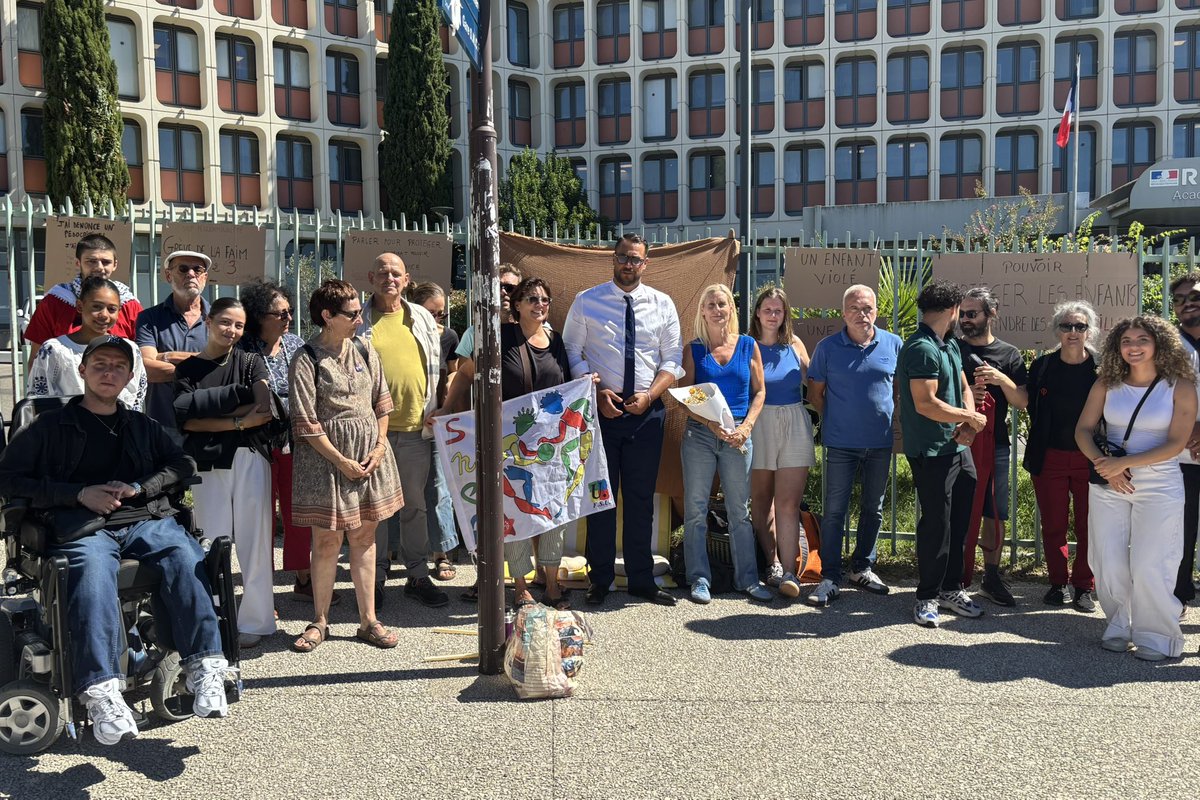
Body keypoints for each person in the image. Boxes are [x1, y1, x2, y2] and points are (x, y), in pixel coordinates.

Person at [0, 336, 230, 745]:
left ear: (128, 376)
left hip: (142, 519)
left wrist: (142, 487)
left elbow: (182, 463)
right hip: (80, 525)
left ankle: (205, 666)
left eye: (118, 366)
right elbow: (9, 479)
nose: (109, 372)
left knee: (184, 553)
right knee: (91, 574)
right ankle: (102, 691)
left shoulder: (142, 425)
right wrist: (78, 494)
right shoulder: (47, 428)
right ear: (83, 371)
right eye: (100, 364)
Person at [563, 234, 682, 607]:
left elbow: (672, 358)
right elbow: (571, 349)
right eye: (622, 257)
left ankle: (641, 579)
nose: (628, 264)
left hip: (647, 414)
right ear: (612, 259)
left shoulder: (663, 304)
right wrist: (596, 391)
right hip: (601, 413)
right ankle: (599, 579)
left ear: (645, 264)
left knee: (640, 498)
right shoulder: (587, 301)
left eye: (635, 259)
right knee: (601, 497)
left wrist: (650, 395)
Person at [289, 280, 404, 652]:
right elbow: (305, 422)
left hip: (369, 458)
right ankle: (319, 621)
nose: (360, 319)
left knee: (365, 539)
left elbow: (382, 404)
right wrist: (341, 461)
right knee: (326, 541)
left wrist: (380, 446)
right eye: (352, 314)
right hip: (325, 463)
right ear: (327, 315)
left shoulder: (365, 350)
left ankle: (368, 620)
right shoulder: (306, 358)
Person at [1074, 316, 1196, 661]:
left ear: (1159, 343)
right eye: (1126, 341)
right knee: (1108, 559)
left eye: (1142, 339)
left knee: (1151, 562)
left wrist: (1123, 464)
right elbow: (1083, 430)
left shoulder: (1180, 386)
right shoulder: (1106, 383)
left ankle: (1157, 636)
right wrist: (1106, 465)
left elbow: (1176, 444)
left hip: (1159, 481)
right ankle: (1118, 625)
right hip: (1109, 478)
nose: (1134, 347)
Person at [173, 298, 277, 649]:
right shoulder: (187, 370)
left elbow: (264, 406)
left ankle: (256, 620)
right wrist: (238, 420)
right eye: (225, 322)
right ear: (208, 321)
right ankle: (213, 616)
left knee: (254, 540)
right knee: (211, 542)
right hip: (208, 463)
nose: (231, 330)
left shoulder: (250, 361)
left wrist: (208, 411)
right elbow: (185, 419)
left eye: (238, 325)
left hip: (250, 457)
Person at [358, 254, 448, 609]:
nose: (389, 279)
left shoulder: (422, 317)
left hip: (414, 429)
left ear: (407, 279)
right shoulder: (359, 319)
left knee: (415, 506)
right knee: (375, 510)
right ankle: (376, 578)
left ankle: (417, 575)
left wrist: (440, 405)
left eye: (396, 273)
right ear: (371, 277)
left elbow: (437, 367)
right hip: (372, 434)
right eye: (382, 273)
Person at [897, 280, 987, 628]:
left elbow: (964, 387)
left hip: (958, 448)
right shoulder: (921, 348)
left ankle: (951, 589)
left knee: (959, 522)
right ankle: (926, 597)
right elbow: (926, 403)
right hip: (931, 451)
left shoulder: (948, 343)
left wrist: (968, 426)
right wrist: (969, 417)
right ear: (952, 310)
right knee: (937, 524)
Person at [238, 279, 332, 604]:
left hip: (296, 440)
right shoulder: (243, 349)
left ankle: (303, 576)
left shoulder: (296, 344)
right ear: (258, 316)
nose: (288, 318)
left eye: (289, 311)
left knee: (298, 511)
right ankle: (262, 592)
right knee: (262, 515)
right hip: (258, 442)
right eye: (280, 313)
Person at [807, 284, 902, 605]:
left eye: (868, 308)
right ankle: (830, 576)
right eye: (855, 309)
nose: (862, 314)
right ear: (843, 313)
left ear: (877, 311)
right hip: (841, 444)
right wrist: (839, 420)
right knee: (835, 511)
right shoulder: (827, 348)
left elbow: (897, 389)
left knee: (873, 508)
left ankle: (862, 567)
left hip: (880, 443)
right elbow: (815, 394)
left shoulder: (894, 344)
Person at [678, 284, 767, 604]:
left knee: (739, 511)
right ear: (702, 312)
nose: (718, 310)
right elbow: (685, 398)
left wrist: (746, 427)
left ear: (732, 309)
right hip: (700, 436)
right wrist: (710, 424)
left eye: (723, 304)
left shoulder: (748, 345)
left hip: (739, 435)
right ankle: (699, 579)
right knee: (696, 509)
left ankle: (748, 579)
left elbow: (760, 391)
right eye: (711, 305)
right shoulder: (694, 350)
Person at [501, 277, 573, 608]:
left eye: (545, 299)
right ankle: (520, 586)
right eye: (532, 298)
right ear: (517, 304)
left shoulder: (556, 341)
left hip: (551, 444)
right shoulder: (502, 337)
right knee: (515, 510)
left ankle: (552, 583)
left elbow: (567, 385)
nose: (540, 304)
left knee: (554, 511)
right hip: (511, 442)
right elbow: (475, 377)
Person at [1024, 301, 1099, 611]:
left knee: (1089, 525)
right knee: (1054, 524)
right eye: (1067, 326)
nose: (1073, 332)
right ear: (1057, 331)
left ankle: (1084, 586)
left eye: (1080, 326)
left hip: (1091, 458)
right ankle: (1058, 583)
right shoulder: (1042, 366)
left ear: (1089, 331)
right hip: (1049, 456)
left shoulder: (1102, 367)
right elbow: (1029, 404)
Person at [956, 287, 1028, 607]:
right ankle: (955, 575)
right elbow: (935, 394)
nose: (965, 319)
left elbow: (1022, 401)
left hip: (996, 444)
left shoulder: (1009, 354)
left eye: (972, 314)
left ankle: (991, 576)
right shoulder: (951, 348)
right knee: (957, 508)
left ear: (991, 314)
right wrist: (966, 394)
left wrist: (1001, 379)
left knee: (994, 512)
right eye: (962, 314)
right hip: (957, 443)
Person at [745, 286, 815, 600]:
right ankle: (771, 562)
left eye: (779, 310)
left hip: (794, 421)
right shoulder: (746, 346)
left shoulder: (795, 344)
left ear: (785, 314)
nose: (773, 316)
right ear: (757, 313)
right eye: (768, 310)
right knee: (761, 500)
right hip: (758, 422)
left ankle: (789, 572)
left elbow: (813, 382)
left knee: (788, 502)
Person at [27, 276, 147, 411]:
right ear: (80, 306)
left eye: (112, 309)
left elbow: (136, 397)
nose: (104, 315)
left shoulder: (130, 350)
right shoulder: (54, 349)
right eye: (96, 307)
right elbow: (39, 399)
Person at [24, 234, 143, 369]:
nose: (99, 267)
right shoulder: (54, 301)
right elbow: (37, 359)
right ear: (78, 263)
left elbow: (140, 360)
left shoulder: (129, 305)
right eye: (91, 261)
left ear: (115, 265)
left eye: (106, 262)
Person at [409, 281, 460, 581]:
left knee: (439, 488)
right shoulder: (404, 334)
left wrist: (448, 394)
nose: (438, 319)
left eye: (442, 314)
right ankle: (395, 552)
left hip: (436, 420)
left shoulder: (448, 336)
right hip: (405, 421)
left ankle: (442, 553)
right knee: (404, 491)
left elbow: (454, 371)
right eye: (432, 313)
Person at [137, 251, 211, 438]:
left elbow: (223, 367)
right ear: (168, 275)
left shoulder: (220, 320)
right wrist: (203, 364)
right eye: (183, 269)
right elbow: (147, 369)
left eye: (197, 269)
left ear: (205, 277)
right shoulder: (149, 318)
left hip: (210, 425)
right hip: (162, 425)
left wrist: (165, 356)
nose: (191, 274)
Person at [1168, 272, 1200, 606]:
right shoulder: (1167, 346)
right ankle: (1178, 596)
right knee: (1180, 529)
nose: (1187, 304)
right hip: (1181, 454)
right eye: (1179, 299)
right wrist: (1189, 427)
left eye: (1195, 297)